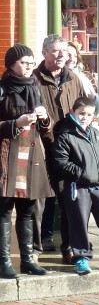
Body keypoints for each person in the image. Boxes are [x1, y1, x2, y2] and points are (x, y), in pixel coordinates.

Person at [52, 97, 99, 275]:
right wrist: (82, 174)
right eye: (81, 113)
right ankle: (82, 258)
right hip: (78, 187)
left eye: (89, 114)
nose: (85, 117)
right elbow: (61, 162)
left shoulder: (96, 134)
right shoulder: (65, 135)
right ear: (73, 113)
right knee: (78, 223)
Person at [0, 45, 53, 278]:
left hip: (31, 153)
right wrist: (15, 123)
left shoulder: (35, 87)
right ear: (11, 64)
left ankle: (27, 260)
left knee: (27, 210)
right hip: (7, 154)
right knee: (3, 211)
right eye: (24, 62)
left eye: (32, 62)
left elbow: (46, 127)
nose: (29, 66)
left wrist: (44, 118)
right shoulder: (2, 89)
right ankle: (3, 262)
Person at [34, 34, 86, 260]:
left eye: (63, 51)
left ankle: (70, 246)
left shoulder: (73, 78)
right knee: (37, 202)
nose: (61, 55)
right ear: (44, 52)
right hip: (41, 148)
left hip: (69, 149)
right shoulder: (33, 79)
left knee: (69, 200)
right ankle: (34, 249)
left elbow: (86, 108)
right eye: (55, 51)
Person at [65, 42, 99, 114]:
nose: (72, 59)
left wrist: (93, 97)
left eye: (75, 56)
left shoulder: (80, 76)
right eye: (68, 55)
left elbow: (97, 110)